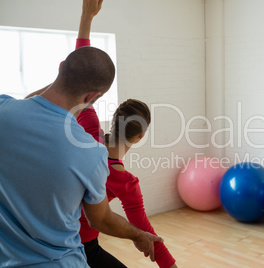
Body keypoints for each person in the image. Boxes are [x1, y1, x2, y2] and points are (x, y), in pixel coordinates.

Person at [0, 0, 163, 267]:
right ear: (93, 97)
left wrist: (86, 18)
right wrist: (138, 236)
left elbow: (75, 73)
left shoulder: (4, 109)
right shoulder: (91, 152)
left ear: (61, 67)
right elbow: (101, 219)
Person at [73, 4, 178, 267]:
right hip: (81, 247)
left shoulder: (87, 128)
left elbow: (81, 73)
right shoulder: (125, 182)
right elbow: (148, 235)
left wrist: (86, 18)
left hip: (47, 235)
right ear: (141, 136)